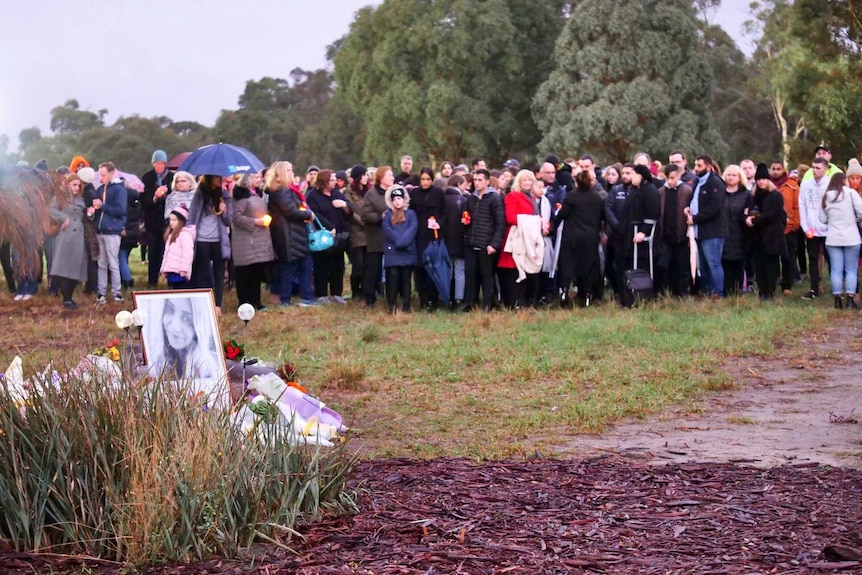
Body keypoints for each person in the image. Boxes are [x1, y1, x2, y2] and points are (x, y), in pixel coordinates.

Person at [266, 161, 316, 307]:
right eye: (289, 170)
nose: (292, 173)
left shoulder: (288, 190)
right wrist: (307, 214)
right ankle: (285, 299)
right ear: (281, 173)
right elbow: (291, 211)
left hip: (296, 234)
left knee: (305, 265)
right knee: (289, 268)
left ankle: (307, 297)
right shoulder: (280, 192)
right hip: (288, 236)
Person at [554, 170, 605, 307]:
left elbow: (562, 215)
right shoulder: (597, 198)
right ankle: (588, 295)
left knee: (567, 266)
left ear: (576, 182)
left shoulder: (571, 196)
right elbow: (602, 218)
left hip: (571, 237)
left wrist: (553, 225)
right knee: (589, 267)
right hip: (590, 237)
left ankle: (564, 291)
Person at [146, 296, 221, 382]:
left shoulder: (210, 369)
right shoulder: (151, 358)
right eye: (170, 310)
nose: (175, 327)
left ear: (199, 325)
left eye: (186, 319)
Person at [306, 169, 352, 305]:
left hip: (339, 235)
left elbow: (349, 210)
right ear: (324, 182)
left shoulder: (336, 193)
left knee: (338, 265)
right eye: (332, 180)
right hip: (322, 236)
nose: (335, 182)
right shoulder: (312, 196)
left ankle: (336, 293)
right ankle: (321, 294)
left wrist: (344, 205)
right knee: (321, 265)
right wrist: (327, 227)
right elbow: (315, 215)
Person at [616, 164, 660, 304]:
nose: (630, 177)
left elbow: (652, 213)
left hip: (641, 237)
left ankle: (643, 295)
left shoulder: (650, 190)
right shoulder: (635, 190)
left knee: (642, 265)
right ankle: (628, 296)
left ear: (640, 176)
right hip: (628, 234)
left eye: (633, 174)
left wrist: (643, 232)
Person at [498, 169, 542, 309]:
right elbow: (510, 217)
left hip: (529, 238)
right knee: (514, 271)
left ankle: (526, 301)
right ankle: (515, 302)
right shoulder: (513, 196)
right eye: (525, 180)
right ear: (519, 181)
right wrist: (533, 222)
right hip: (517, 238)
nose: (528, 182)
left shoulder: (533, 198)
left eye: (530, 180)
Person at [684, 155, 727, 299]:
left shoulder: (716, 183)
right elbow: (695, 201)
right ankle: (708, 292)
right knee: (703, 266)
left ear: (708, 167)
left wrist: (695, 218)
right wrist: (688, 209)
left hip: (713, 231)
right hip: (699, 231)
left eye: (699, 165)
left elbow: (714, 207)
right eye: (695, 165)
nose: (696, 168)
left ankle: (718, 293)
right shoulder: (697, 182)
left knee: (713, 263)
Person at [463, 169, 505, 312]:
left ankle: (488, 304)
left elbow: (500, 223)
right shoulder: (470, 199)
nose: (477, 183)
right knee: (470, 274)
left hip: (486, 244)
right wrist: (464, 223)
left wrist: (494, 244)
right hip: (471, 243)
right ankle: (469, 302)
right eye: (475, 180)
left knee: (487, 276)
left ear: (487, 181)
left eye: (480, 180)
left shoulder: (494, 198)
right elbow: (465, 218)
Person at [231, 171, 274, 310]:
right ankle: (244, 302)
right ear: (247, 179)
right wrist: (256, 221)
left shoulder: (256, 193)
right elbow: (236, 217)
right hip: (246, 241)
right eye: (256, 177)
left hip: (258, 239)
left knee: (256, 272)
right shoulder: (240, 196)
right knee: (245, 273)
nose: (259, 179)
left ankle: (257, 302)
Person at [818, 173, 862, 309]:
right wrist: (855, 220)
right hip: (851, 236)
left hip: (833, 237)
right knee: (851, 269)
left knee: (836, 270)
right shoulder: (851, 194)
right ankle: (850, 299)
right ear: (844, 181)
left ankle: (837, 299)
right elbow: (861, 211)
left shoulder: (826, 196)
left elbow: (822, 219)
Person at [745, 163, 786, 301]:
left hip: (772, 236)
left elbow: (773, 214)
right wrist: (747, 219)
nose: (761, 182)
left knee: (771, 265)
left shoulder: (776, 196)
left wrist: (755, 221)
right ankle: (762, 290)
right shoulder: (753, 196)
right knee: (759, 265)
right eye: (759, 180)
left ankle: (770, 291)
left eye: (764, 179)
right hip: (757, 237)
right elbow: (747, 212)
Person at [50, 173, 88, 309]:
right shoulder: (60, 198)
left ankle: (69, 297)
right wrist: (63, 217)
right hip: (65, 236)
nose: (77, 188)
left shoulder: (80, 199)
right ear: (67, 184)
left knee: (75, 267)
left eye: (78, 185)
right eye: (74, 185)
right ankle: (66, 299)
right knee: (64, 266)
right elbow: (50, 210)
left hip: (78, 237)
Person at [411, 167, 446, 310]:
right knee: (419, 268)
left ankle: (433, 299)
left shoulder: (438, 193)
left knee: (432, 268)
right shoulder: (414, 194)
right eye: (423, 179)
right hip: (419, 236)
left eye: (428, 179)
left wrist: (439, 224)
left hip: (433, 236)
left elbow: (444, 214)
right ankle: (422, 298)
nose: (425, 182)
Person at [92, 162, 127, 303]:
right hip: (100, 230)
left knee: (113, 263)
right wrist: (93, 210)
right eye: (100, 175)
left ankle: (116, 293)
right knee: (101, 264)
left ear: (112, 173)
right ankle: (101, 293)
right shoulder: (100, 189)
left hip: (112, 231)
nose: (101, 177)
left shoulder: (119, 190)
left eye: (104, 175)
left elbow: (120, 210)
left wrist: (103, 206)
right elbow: (99, 210)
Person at [657, 164, 694, 297]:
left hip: (681, 236)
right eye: (668, 178)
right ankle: (666, 291)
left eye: (673, 178)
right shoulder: (661, 192)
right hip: (665, 236)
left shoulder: (686, 191)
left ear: (678, 176)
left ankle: (682, 292)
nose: (670, 181)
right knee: (663, 264)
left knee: (683, 266)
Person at [359, 166, 393, 307]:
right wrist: (380, 217)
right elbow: (365, 214)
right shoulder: (371, 195)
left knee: (392, 269)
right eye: (389, 175)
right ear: (381, 178)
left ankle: (391, 295)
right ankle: (369, 298)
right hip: (376, 237)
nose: (392, 177)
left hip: (392, 237)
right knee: (373, 268)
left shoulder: (394, 192)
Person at [141, 150, 174, 289]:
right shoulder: (147, 178)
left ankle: (171, 281)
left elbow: (175, 197)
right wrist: (155, 197)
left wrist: (166, 195)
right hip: (152, 220)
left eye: (161, 163)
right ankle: (152, 281)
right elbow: (143, 199)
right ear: (153, 164)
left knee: (169, 251)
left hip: (168, 221)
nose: (159, 166)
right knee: (153, 251)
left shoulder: (172, 177)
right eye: (157, 163)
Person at [799, 157, 831, 299]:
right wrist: (805, 227)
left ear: (826, 169)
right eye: (813, 167)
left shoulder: (830, 184)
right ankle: (814, 289)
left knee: (832, 259)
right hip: (811, 229)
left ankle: (836, 289)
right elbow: (802, 206)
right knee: (812, 259)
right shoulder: (806, 185)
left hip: (828, 230)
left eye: (818, 168)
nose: (815, 170)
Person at [382, 185, 417, 313]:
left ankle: (407, 305)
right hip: (393, 252)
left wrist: (402, 242)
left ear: (404, 199)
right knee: (392, 278)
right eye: (395, 199)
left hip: (407, 252)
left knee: (406, 279)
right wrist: (400, 241)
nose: (397, 201)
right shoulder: (387, 215)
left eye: (399, 198)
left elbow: (413, 229)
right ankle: (392, 305)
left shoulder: (411, 214)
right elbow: (387, 230)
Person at [770, 160, 801, 296]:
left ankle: (787, 284)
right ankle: (773, 280)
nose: (775, 171)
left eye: (778, 169)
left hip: (788, 227)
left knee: (788, 257)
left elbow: (797, 206)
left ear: (783, 170)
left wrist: (795, 223)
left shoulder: (792, 186)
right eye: (773, 169)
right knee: (772, 256)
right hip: (771, 227)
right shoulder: (767, 186)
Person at [720, 164, 751, 295]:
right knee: (724, 263)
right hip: (723, 232)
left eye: (734, 175)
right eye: (728, 175)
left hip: (740, 234)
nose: (731, 177)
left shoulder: (747, 194)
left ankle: (738, 291)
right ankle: (726, 291)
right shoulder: (720, 193)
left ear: (740, 177)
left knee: (739, 263)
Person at [442, 174, 470, 309]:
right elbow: (465, 222)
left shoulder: (442, 199)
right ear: (459, 185)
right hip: (459, 241)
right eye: (464, 184)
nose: (466, 187)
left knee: (447, 270)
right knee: (460, 271)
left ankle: (446, 297)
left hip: (445, 241)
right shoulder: (463, 200)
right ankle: (459, 299)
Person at [344, 164, 369, 300]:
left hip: (368, 233)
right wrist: (363, 222)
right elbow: (350, 211)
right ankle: (355, 291)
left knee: (367, 264)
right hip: (356, 232)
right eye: (364, 175)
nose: (366, 178)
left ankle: (365, 290)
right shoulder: (348, 193)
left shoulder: (367, 192)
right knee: (358, 265)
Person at [160, 204, 196, 289]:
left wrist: (184, 270)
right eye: (170, 220)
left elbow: (187, 254)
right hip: (171, 271)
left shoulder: (185, 235)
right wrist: (164, 269)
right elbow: (166, 254)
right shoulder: (170, 236)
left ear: (181, 221)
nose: (171, 222)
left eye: (174, 220)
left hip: (180, 273)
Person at [119, 182, 142, 291]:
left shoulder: (123, 207)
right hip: (133, 234)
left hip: (123, 235)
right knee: (125, 257)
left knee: (121, 259)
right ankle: (124, 278)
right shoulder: (137, 206)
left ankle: (127, 281)